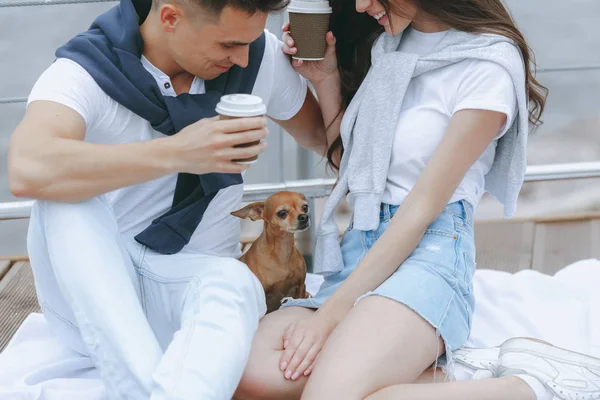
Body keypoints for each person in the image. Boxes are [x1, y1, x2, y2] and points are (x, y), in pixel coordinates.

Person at [229, 0, 600, 398]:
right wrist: (326, 79)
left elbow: (421, 209)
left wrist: (327, 320)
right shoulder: (389, 47)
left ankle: (525, 386)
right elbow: (356, 167)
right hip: (362, 247)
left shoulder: (489, 64)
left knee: (329, 395)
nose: (360, 5)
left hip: (430, 256)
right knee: (251, 372)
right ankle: (440, 374)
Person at [6, 0, 327, 398]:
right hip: (94, 297)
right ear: (170, 17)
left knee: (235, 279)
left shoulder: (256, 57)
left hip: (186, 292)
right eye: (228, 44)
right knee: (66, 196)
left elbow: (327, 142)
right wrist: (178, 153)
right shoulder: (88, 69)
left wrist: (324, 77)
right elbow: (26, 168)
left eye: (249, 42)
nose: (243, 59)